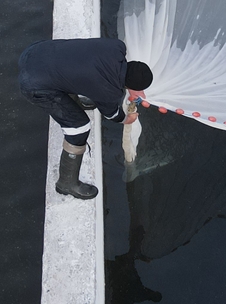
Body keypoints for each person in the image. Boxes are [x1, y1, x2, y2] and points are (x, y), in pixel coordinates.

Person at [18, 38, 153, 200]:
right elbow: (111, 114)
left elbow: (96, 68)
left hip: (34, 51)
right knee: (79, 127)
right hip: (33, 85)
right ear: (131, 86)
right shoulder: (109, 92)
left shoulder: (117, 46)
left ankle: (74, 100)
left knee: (80, 70)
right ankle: (66, 183)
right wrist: (127, 119)